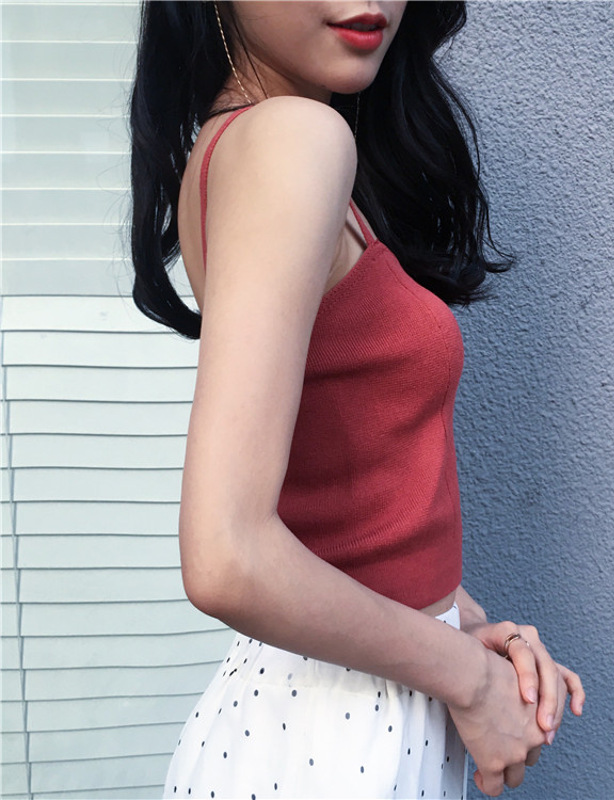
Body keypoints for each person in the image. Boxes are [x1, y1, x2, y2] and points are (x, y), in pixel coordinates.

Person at [129, 2, 584, 798]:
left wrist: (470, 629)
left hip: (329, 710)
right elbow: (226, 559)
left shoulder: (249, 144)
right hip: (339, 730)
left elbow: (344, 512)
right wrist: (471, 681)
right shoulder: (293, 140)